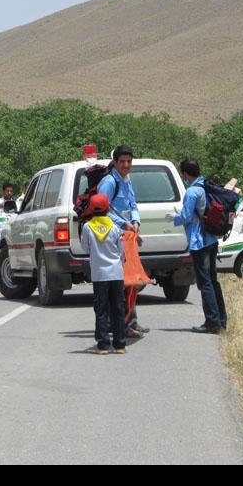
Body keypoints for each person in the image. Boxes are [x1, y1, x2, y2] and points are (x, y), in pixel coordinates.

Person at [98, 145, 149, 338]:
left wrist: (135, 221)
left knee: (133, 280)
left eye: (129, 161)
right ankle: (121, 324)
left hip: (129, 237)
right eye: (122, 162)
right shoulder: (109, 182)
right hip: (115, 239)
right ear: (115, 162)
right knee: (123, 282)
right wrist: (124, 223)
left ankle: (130, 321)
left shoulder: (127, 180)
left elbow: (132, 204)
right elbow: (103, 211)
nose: (126, 165)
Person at [173, 158, 227, 334]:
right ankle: (221, 319)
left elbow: (186, 217)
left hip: (199, 241)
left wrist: (174, 218)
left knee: (204, 283)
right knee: (212, 280)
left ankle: (212, 322)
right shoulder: (205, 185)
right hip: (211, 239)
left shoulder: (192, 192)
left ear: (185, 173)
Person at [80, 194, 126, 354]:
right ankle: (120, 344)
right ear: (107, 209)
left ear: (91, 209)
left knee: (101, 308)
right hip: (116, 273)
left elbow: (85, 248)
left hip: (99, 274)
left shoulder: (87, 227)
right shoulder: (114, 227)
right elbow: (121, 250)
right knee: (118, 308)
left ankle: (103, 345)